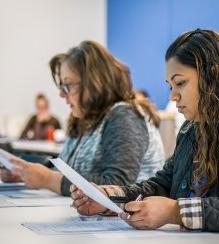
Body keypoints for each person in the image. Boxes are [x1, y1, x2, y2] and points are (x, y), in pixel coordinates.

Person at [70, 29, 219, 233]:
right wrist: (109, 197)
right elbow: (163, 184)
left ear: (214, 74)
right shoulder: (192, 129)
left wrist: (175, 212)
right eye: (170, 86)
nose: (173, 96)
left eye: (180, 83)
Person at [0, 40, 165, 196]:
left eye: (68, 85)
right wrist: (26, 173)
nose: (62, 94)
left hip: (123, 222)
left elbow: (116, 185)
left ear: (94, 82)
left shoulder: (124, 116)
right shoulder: (84, 119)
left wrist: (48, 179)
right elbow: (69, 170)